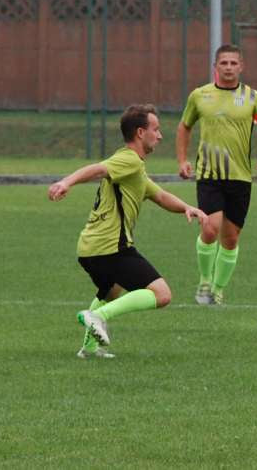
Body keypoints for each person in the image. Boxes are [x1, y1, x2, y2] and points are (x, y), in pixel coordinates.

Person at [48, 104, 208, 357]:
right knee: (162, 294)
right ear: (140, 133)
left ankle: (89, 348)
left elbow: (160, 195)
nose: (160, 135)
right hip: (110, 246)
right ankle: (96, 316)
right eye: (156, 129)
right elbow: (98, 168)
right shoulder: (129, 160)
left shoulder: (134, 168)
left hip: (90, 247)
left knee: (112, 291)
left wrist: (187, 208)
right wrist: (66, 182)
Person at [176, 44, 257, 305]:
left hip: (241, 177)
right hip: (209, 174)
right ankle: (204, 281)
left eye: (234, 63)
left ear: (241, 66)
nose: (229, 67)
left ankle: (217, 290)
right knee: (210, 228)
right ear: (215, 66)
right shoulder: (199, 96)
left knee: (230, 239)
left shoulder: (254, 98)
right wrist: (182, 159)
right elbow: (184, 127)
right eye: (224, 63)